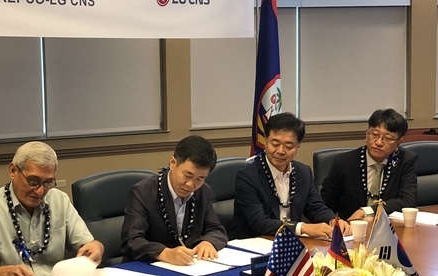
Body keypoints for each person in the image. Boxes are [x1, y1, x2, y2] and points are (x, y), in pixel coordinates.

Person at [0, 141, 104, 276]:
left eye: (48, 182)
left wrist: (97, 248)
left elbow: (90, 244)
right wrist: (7, 272)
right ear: (13, 171)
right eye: (33, 181)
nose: (40, 191)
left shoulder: (59, 200)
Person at [230, 112, 351, 240]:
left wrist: (333, 220)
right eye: (275, 144)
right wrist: (303, 228)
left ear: (298, 146)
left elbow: (315, 207)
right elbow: (259, 223)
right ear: (265, 141)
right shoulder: (247, 176)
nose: (281, 151)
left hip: (291, 243)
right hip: (253, 243)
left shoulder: (303, 172)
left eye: (288, 146)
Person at [121, 135, 228, 266]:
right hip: (148, 266)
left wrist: (208, 242)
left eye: (200, 179)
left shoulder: (203, 191)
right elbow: (131, 240)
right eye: (187, 175)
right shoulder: (143, 192)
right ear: (173, 163)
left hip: (188, 267)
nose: (190, 184)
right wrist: (165, 253)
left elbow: (216, 229)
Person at [321, 108, 417, 221]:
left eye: (388, 138)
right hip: (351, 226)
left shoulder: (405, 160)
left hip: (387, 226)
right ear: (366, 134)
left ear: (398, 142)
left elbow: (407, 201)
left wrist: (368, 211)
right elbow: (324, 204)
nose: (379, 142)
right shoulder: (344, 162)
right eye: (375, 135)